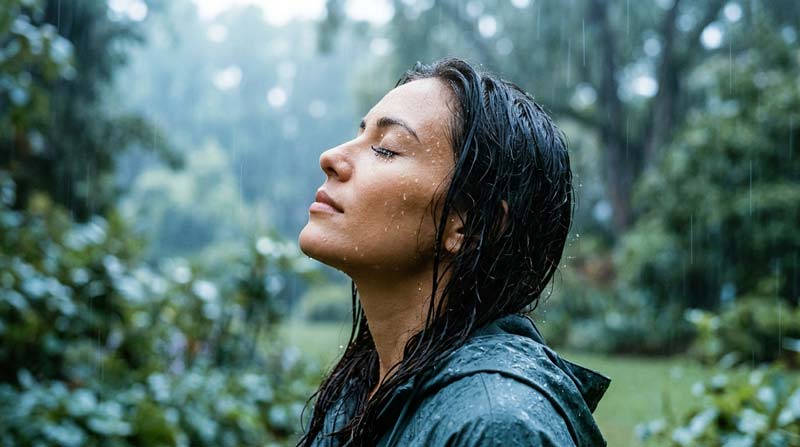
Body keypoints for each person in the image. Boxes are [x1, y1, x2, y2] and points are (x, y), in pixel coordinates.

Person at [296, 57, 611, 447]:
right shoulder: (364, 389)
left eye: (387, 149)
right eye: (360, 136)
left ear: (469, 224)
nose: (331, 157)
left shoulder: (496, 426)